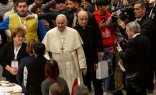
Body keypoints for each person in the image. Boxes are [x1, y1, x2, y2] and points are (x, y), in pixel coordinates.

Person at [42, 14, 87, 93]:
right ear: (56, 23)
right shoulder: (50, 33)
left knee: (72, 85)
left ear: (66, 23)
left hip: (72, 65)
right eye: (58, 23)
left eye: (62, 23)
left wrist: (83, 66)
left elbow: (80, 52)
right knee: (59, 87)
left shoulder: (73, 32)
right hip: (57, 66)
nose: (60, 25)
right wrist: (50, 62)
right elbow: (44, 51)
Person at [116, 21, 153, 95]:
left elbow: (125, 57)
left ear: (132, 31)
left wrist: (119, 50)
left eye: (127, 31)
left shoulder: (132, 41)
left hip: (134, 77)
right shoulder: (145, 39)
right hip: (144, 75)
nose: (126, 33)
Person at [73, 10, 103, 95]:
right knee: (84, 83)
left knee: (97, 82)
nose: (84, 21)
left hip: (92, 60)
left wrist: (96, 60)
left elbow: (96, 42)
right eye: (82, 19)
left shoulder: (91, 29)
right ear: (78, 19)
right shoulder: (74, 31)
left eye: (86, 19)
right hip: (80, 62)